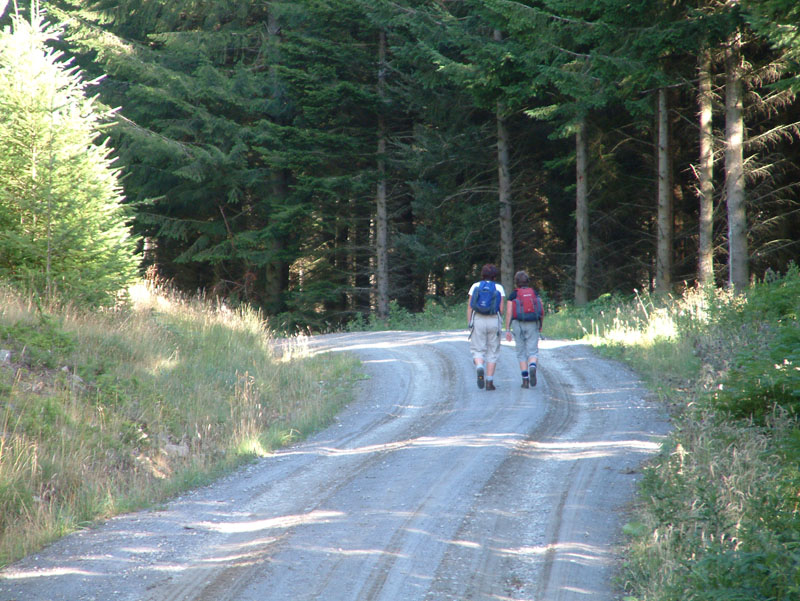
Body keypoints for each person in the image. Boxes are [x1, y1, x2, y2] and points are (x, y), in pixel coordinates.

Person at [467, 264, 506, 391]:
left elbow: (470, 307)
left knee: (478, 349)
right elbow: (501, 309)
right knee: (492, 351)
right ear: (495, 276)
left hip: (478, 319)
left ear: (482, 274)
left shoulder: (475, 286)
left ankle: (479, 366)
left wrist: (470, 322)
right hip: (493, 319)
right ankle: (489, 382)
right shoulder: (499, 288)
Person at [504, 270, 543, 388]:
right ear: (527, 281)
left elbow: (509, 312)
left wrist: (507, 329)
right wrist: (540, 325)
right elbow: (541, 310)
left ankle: (525, 380)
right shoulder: (534, 293)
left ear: (516, 282)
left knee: (521, 352)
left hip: (518, 324)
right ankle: (532, 366)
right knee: (533, 351)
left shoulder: (513, 295)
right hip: (533, 323)